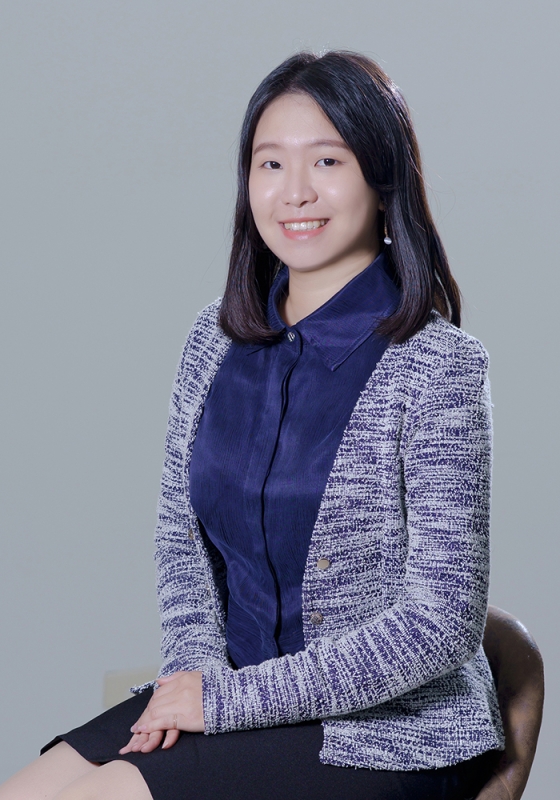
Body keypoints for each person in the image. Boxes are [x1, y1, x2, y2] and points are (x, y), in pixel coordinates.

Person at [0, 50, 541, 800]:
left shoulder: (438, 365)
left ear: (382, 180)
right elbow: (181, 542)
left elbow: (441, 623)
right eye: (270, 163)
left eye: (328, 161)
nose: (295, 192)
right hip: (233, 698)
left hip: (388, 735)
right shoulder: (212, 341)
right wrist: (199, 680)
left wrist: (226, 704)